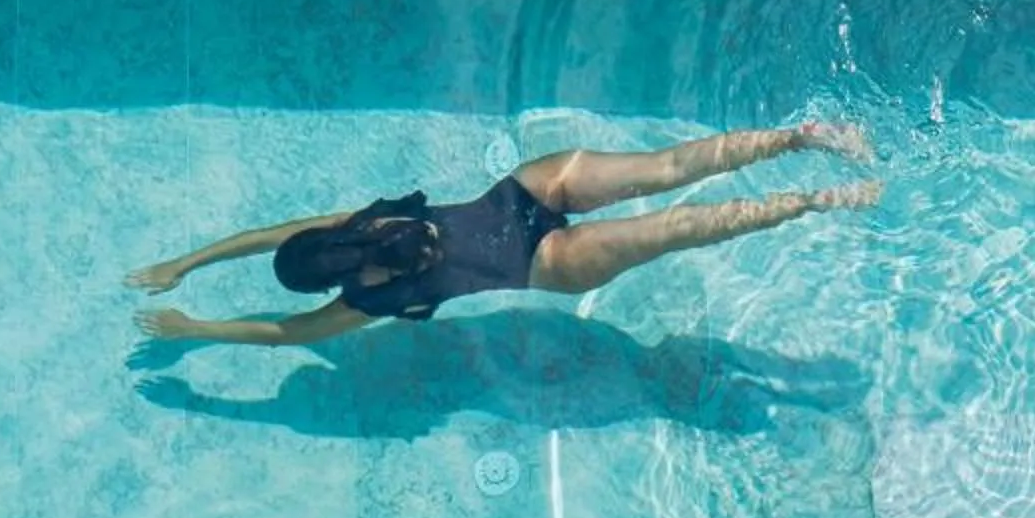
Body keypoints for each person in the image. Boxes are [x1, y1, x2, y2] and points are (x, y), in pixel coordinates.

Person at [130, 122, 876, 345]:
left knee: (676, 229)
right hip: (525, 190)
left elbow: (288, 334)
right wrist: (186, 261)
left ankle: (821, 199)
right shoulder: (357, 224)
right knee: (669, 167)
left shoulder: (362, 300)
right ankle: (806, 136)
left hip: (544, 263)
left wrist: (196, 327)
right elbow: (267, 235)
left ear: (328, 276)